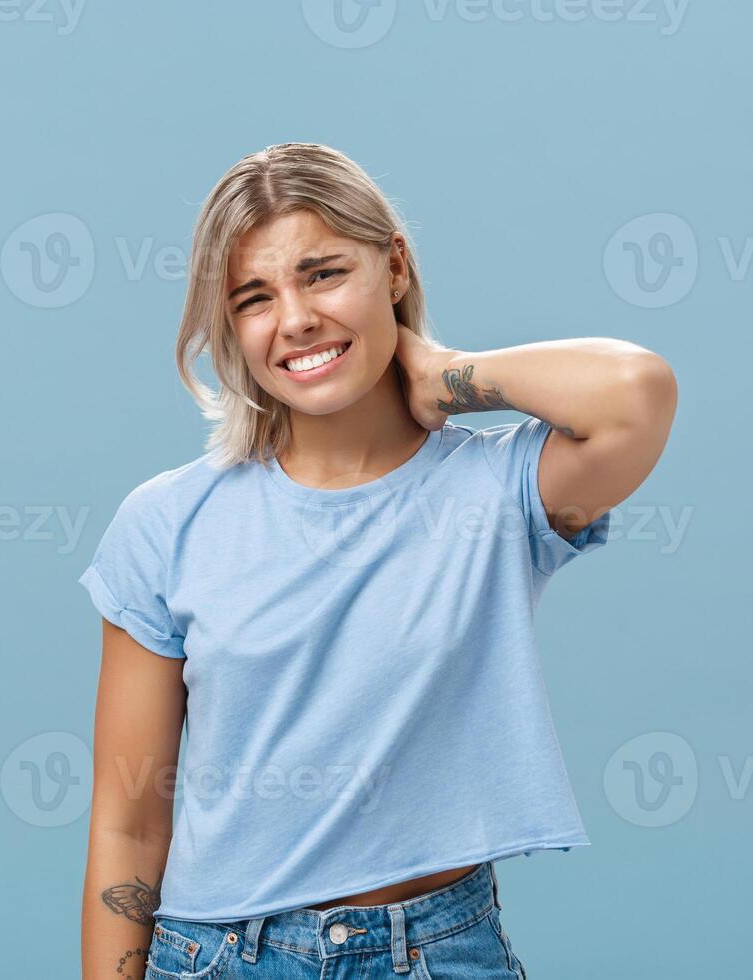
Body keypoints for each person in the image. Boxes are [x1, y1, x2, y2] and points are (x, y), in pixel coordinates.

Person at [76, 142, 677, 979]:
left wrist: (443, 373)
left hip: (434, 952)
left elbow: (637, 393)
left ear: (393, 265)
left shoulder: (500, 491)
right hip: (215, 957)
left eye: (323, 274)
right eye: (255, 297)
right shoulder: (166, 522)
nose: (295, 320)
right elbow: (129, 821)